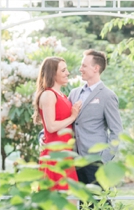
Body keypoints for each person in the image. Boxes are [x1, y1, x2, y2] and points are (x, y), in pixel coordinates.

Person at [68, 50, 123, 186]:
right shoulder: (74, 93)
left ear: (96, 68)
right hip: (74, 159)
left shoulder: (107, 96)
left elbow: (117, 131)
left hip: (96, 161)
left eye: (84, 66)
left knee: (100, 205)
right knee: (80, 205)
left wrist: (104, 159)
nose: (80, 69)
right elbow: (64, 120)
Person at [34, 56, 82, 190]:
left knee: (70, 202)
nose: (67, 73)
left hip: (65, 152)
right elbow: (51, 126)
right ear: (52, 73)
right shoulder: (49, 95)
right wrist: (72, 117)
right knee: (57, 203)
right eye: (63, 70)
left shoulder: (62, 95)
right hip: (55, 155)